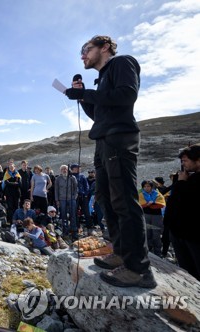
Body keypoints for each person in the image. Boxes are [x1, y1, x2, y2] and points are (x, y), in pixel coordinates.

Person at [65, 35, 156, 288]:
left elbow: (127, 96)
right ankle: (121, 252)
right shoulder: (102, 78)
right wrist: (83, 97)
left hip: (119, 139)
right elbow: (98, 114)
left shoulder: (122, 63)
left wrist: (88, 93)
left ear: (104, 47)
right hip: (104, 139)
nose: (82, 55)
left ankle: (139, 269)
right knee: (106, 198)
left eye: (86, 49)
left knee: (124, 201)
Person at [164, 144, 200, 280]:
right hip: (180, 233)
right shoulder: (187, 178)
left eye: (186, 160)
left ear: (198, 160)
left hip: (193, 235)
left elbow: (186, 202)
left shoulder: (190, 180)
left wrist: (181, 184)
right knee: (187, 272)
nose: (183, 164)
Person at [138, 180, 166, 257]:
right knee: (148, 233)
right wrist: (151, 203)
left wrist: (149, 204)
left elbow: (161, 204)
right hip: (146, 216)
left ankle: (158, 252)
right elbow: (141, 204)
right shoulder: (141, 195)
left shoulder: (158, 194)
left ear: (151, 187)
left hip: (157, 216)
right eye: (145, 186)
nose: (146, 188)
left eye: (148, 186)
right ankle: (149, 250)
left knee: (156, 234)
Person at [54, 165, 78, 238]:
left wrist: (74, 197)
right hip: (62, 199)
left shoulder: (72, 178)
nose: (64, 170)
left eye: (65, 169)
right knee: (63, 215)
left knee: (73, 215)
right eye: (63, 169)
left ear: (68, 170)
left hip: (71, 199)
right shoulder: (58, 179)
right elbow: (56, 190)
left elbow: (76, 188)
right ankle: (65, 231)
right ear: (60, 171)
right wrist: (57, 200)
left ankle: (74, 231)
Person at [70, 164, 92, 229]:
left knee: (86, 211)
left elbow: (87, 186)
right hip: (74, 197)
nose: (79, 169)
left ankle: (89, 225)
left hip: (82, 195)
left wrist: (85, 194)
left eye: (79, 168)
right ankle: (77, 226)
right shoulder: (70, 176)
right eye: (77, 168)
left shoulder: (82, 176)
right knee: (75, 211)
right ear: (73, 169)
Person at [2, 159, 21, 224]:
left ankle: (17, 220)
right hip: (9, 193)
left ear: (14, 167)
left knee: (16, 207)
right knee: (10, 207)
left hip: (16, 193)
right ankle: (10, 220)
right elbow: (6, 183)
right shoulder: (6, 174)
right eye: (10, 167)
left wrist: (11, 183)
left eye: (12, 167)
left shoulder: (17, 174)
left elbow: (20, 184)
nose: (11, 168)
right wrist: (15, 183)